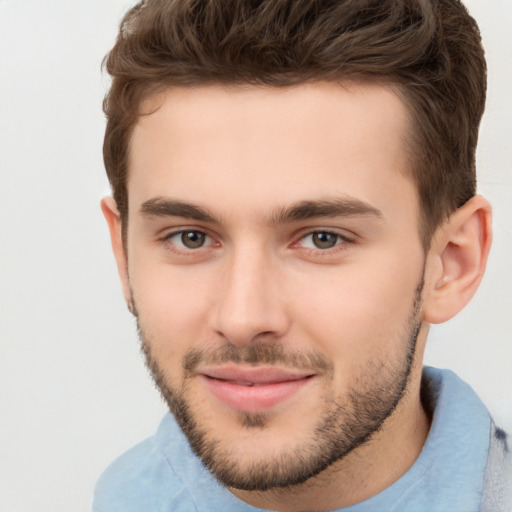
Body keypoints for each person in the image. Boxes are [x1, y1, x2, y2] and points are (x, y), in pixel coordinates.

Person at [93, 0, 511, 510]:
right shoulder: (122, 495)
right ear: (124, 252)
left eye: (322, 239)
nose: (243, 318)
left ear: (452, 262)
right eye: (191, 237)